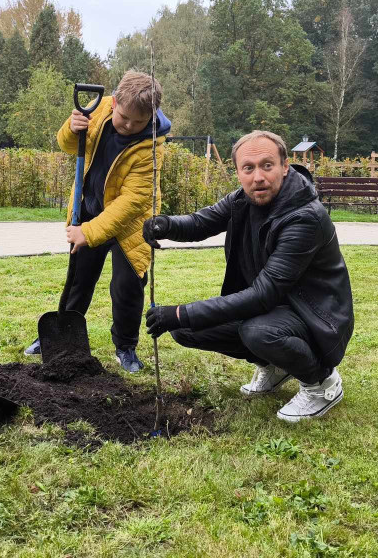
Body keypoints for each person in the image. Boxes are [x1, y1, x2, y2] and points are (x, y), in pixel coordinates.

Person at [143, 130, 353, 423]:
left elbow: (263, 295)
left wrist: (179, 312)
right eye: (248, 168)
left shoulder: (304, 218)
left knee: (256, 331)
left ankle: (322, 383)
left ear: (284, 166)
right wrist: (165, 225)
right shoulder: (243, 199)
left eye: (267, 165)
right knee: (187, 329)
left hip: (316, 318)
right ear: (238, 172)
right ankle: (275, 365)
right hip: (274, 309)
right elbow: (201, 222)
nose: (258, 177)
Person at [24, 70, 171, 373]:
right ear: (114, 102)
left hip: (132, 223)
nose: (130, 126)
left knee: (127, 286)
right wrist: (71, 128)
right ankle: (61, 335)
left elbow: (132, 203)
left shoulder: (153, 145)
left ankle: (126, 347)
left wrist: (89, 232)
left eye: (139, 122)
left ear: (152, 115)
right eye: (125, 118)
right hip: (89, 209)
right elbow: (67, 145)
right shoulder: (96, 109)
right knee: (79, 278)